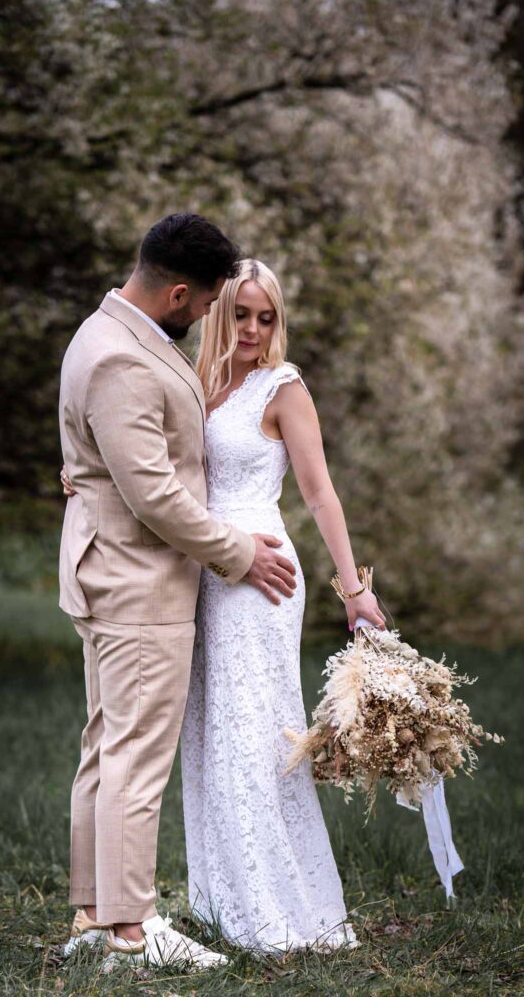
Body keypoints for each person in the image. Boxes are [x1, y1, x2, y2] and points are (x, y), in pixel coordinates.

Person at [58, 215, 298, 972]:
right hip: (138, 580)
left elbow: (111, 462)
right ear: (181, 291)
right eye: (204, 307)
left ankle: (95, 918)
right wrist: (234, 553)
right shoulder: (120, 358)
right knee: (133, 755)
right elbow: (153, 492)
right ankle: (130, 931)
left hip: (113, 571)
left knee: (106, 747)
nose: (207, 321)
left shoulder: (108, 335)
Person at [180, 258, 384, 953]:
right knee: (209, 730)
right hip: (203, 573)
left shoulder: (282, 386)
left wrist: (352, 591)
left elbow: (319, 493)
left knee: (254, 733)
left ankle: (275, 909)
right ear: (216, 313)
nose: (253, 329)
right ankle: (219, 901)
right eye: (240, 313)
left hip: (261, 578)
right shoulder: (196, 382)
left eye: (265, 317)